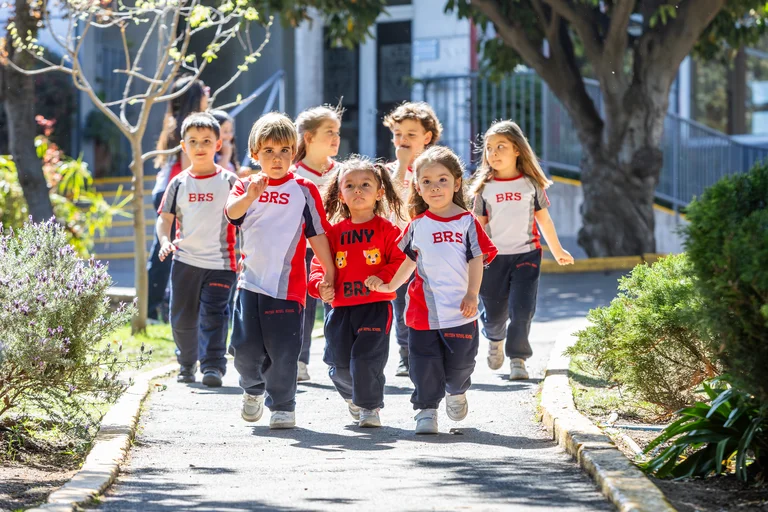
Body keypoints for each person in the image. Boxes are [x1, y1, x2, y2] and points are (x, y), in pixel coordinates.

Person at [370, 146, 497, 435]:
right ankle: (426, 410)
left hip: (461, 311)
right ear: (417, 186)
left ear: (456, 182)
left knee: (461, 366)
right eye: (426, 181)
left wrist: (472, 294)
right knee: (424, 365)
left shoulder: (468, 223)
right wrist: (390, 285)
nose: (435, 187)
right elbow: (407, 262)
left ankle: (456, 391)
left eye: (442, 179)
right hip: (422, 312)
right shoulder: (417, 225)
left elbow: (477, 259)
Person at [225, 112, 335, 430]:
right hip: (250, 284)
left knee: (285, 351)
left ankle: (283, 405)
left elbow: (318, 235)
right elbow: (231, 215)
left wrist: (329, 273)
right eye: (269, 151)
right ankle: (252, 390)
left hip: (289, 289)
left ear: (293, 152)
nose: (277, 158)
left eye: (284, 150)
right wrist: (249, 197)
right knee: (245, 350)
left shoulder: (304, 190)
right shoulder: (244, 186)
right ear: (255, 153)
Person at [470, 120, 574, 380]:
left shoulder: (530, 185)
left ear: (518, 150)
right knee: (494, 314)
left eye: (501, 147)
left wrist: (558, 249)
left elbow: (544, 221)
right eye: (489, 148)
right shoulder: (483, 188)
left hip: (527, 255)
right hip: (492, 259)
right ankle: (494, 338)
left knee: (523, 308)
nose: (493, 153)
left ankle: (518, 358)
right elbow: (476, 228)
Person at [307, 156, 405, 428]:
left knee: (365, 359)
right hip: (340, 309)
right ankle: (354, 396)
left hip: (375, 307)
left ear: (379, 193)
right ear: (341, 194)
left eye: (365, 184)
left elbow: (400, 261)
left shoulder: (388, 230)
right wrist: (319, 286)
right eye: (350, 185)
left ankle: (369, 407)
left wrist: (382, 278)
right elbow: (319, 265)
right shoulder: (333, 233)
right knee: (338, 365)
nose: (358, 190)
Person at [156, 112, 238, 387]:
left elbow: (246, 219)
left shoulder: (230, 181)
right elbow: (164, 218)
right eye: (193, 141)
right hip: (184, 261)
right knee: (182, 318)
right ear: (184, 146)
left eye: (206, 141)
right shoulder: (178, 183)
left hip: (222, 263)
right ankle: (187, 363)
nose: (200, 147)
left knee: (214, 315)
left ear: (218, 145)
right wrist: (165, 241)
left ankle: (213, 366)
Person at [381, 101, 443, 377]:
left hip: (432, 250)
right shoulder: (388, 170)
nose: (402, 140)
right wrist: (402, 165)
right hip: (399, 253)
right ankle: (406, 353)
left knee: (433, 300)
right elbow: (388, 204)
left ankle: (435, 349)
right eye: (398, 134)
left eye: (411, 134)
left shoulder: (436, 170)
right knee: (402, 303)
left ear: (427, 138)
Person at [148, 76, 209, 321]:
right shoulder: (188, 126)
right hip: (176, 193)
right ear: (195, 97)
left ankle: (153, 307)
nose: (208, 94)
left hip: (165, 190)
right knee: (165, 251)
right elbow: (188, 167)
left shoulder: (176, 123)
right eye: (204, 90)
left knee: (162, 249)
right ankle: (152, 309)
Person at [292, 105, 342, 382]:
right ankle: (300, 360)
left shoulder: (344, 172)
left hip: (338, 251)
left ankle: (337, 359)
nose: (336, 138)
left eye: (337, 132)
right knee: (304, 308)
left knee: (337, 305)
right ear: (309, 137)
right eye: (329, 133)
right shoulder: (293, 174)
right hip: (304, 251)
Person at [210, 110, 241, 174]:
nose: (230, 136)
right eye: (225, 131)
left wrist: (239, 174)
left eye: (231, 131)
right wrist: (226, 155)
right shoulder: (209, 155)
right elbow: (214, 176)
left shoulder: (227, 151)